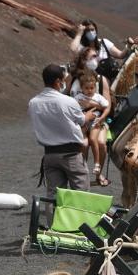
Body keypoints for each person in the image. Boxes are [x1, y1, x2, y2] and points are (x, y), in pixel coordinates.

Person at [27, 63, 95, 193]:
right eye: (63, 80)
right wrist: (89, 116)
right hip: (71, 155)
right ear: (58, 81)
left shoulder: (33, 103)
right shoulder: (68, 101)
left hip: (50, 155)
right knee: (81, 195)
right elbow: (81, 121)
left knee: (55, 196)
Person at [74, 71, 111, 186]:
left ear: (95, 87)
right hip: (83, 122)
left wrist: (93, 105)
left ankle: (98, 168)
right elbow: (73, 108)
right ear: (81, 88)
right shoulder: (78, 96)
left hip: (96, 121)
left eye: (92, 88)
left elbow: (106, 106)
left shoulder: (98, 95)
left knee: (99, 142)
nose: (89, 90)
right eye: (87, 88)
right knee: (83, 144)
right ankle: (82, 173)